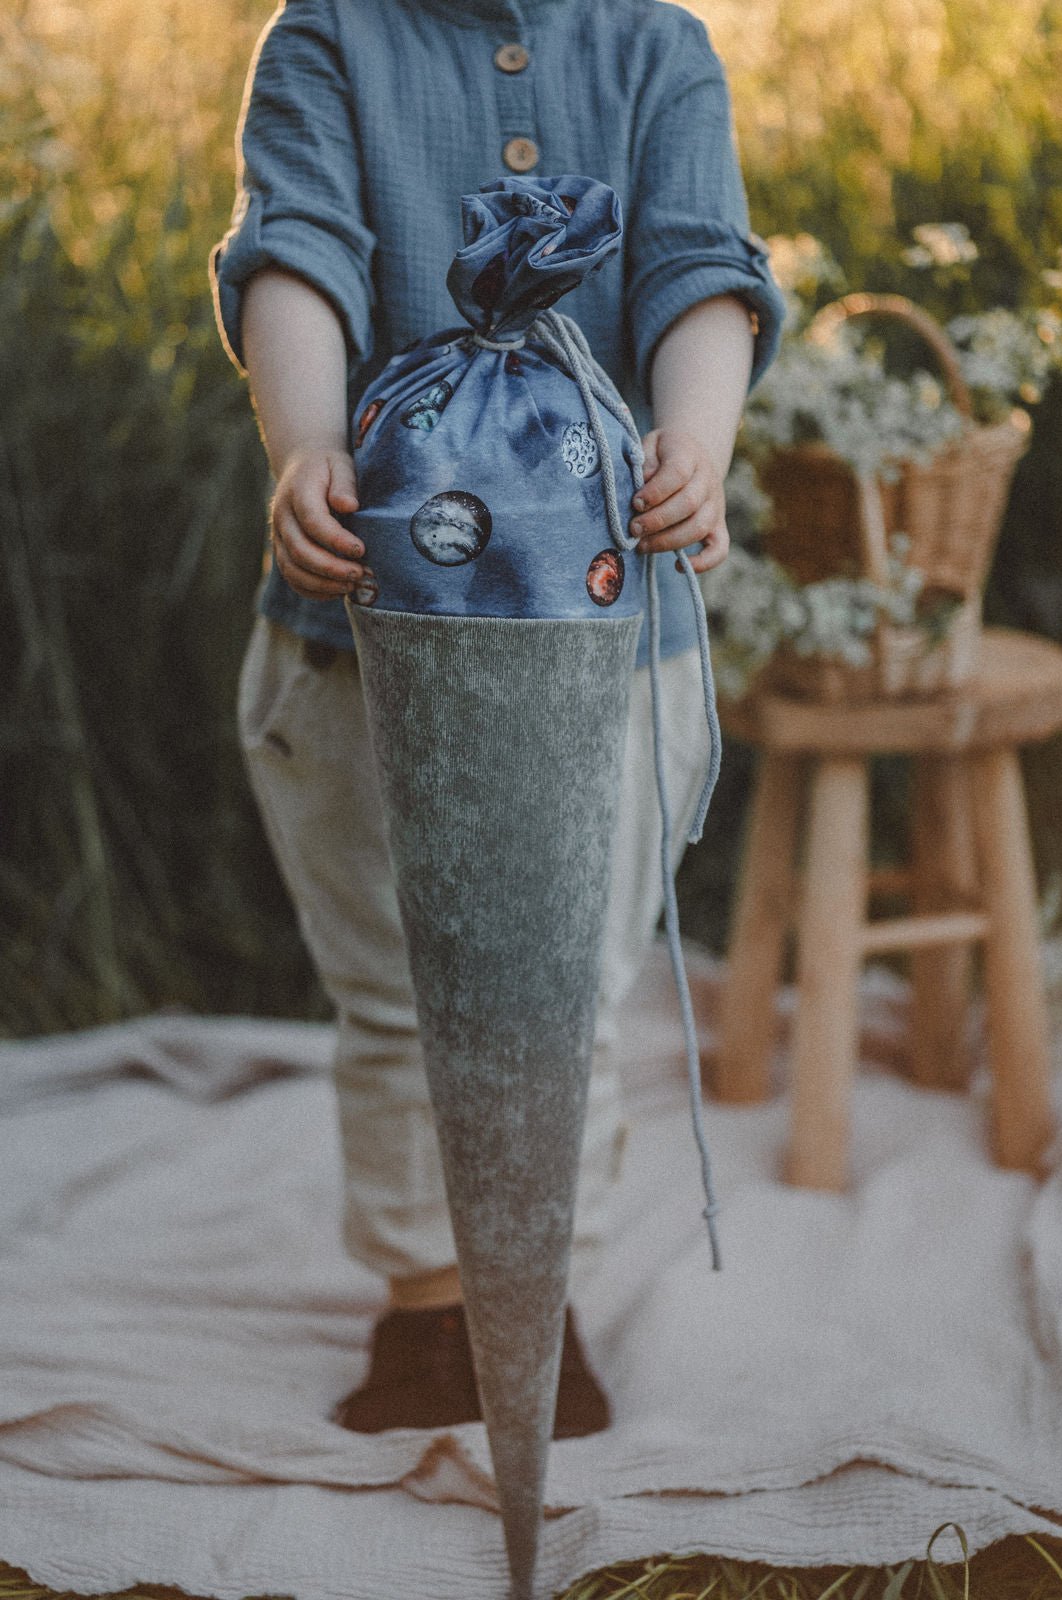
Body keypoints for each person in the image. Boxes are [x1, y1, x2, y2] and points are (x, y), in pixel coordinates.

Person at [208, 0, 786, 1438]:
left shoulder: (656, 48)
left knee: (558, 1000)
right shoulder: (329, 37)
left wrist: (695, 444)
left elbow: (698, 267)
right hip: (364, 644)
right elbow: (299, 249)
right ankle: (424, 1304)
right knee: (403, 994)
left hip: (606, 646)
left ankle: (537, 1292)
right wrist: (306, 445)